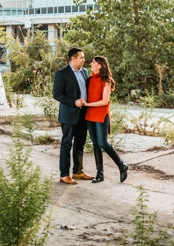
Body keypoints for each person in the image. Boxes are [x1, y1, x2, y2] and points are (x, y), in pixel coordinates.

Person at [83, 56, 128, 183]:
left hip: (101, 114)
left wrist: (86, 104)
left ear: (100, 65)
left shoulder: (106, 81)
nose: (91, 64)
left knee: (103, 143)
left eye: (93, 62)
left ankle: (122, 165)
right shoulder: (90, 79)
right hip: (90, 116)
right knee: (95, 144)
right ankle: (100, 173)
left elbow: (104, 101)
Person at [53, 47, 93, 184]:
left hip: (83, 113)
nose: (84, 60)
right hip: (69, 114)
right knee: (66, 144)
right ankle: (64, 174)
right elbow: (57, 94)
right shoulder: (62, 74)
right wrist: (73, 102)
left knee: (80, 143)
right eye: (81, 57)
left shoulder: (85, 72)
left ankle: (78, 172)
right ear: (73, 58)